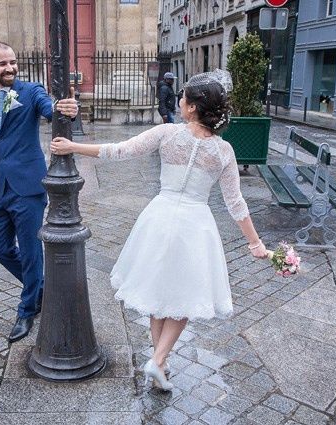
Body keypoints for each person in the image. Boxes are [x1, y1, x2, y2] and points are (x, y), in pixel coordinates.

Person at [50, 70, 268, 390]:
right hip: (195, 225)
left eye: (183, 98)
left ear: (192, 108)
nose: (179, 101)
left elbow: (119, 150)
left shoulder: (167, 133)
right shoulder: (223, 151)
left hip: (160, 217)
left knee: (159, 294)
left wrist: (73, 146)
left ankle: (159, 362)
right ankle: (159, 361)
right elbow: (236, 205)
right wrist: (255, 244)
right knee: (183, 297)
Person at [0, 42, 78, 343]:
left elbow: (49, 108)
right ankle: (40, 288)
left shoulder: (30, 91)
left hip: (28, 187)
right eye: (2, 64)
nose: (10, 68)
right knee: (0, 249)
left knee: (30, 251)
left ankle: (27, 310)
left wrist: (63, 109)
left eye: (13, 62)